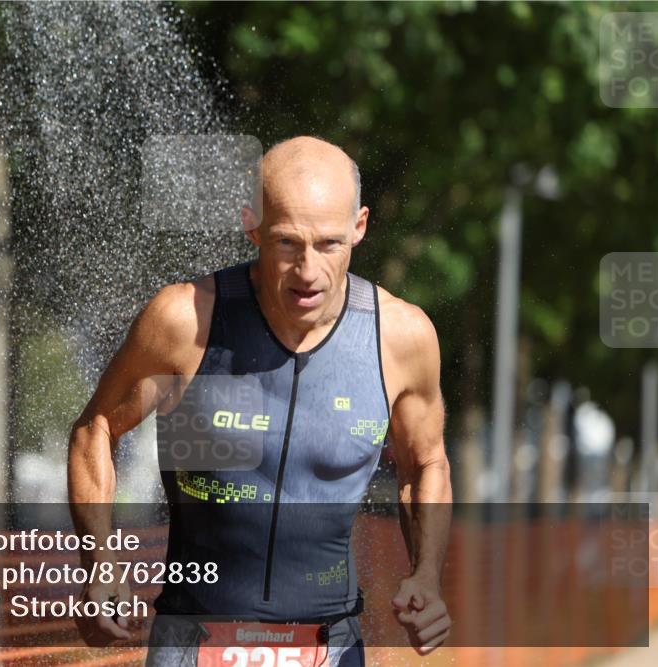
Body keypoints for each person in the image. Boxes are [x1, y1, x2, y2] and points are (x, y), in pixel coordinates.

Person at [68, 136, 452, 666]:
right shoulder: (186, 322)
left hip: (330, 644)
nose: (308, 271)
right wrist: (101, 563)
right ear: (251, 225)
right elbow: (96, 430)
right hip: (194, 641)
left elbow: (425, 461)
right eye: (287, 243)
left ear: (359, 227)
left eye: (329, 244)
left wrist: (427, 574)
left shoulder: (401, 338)